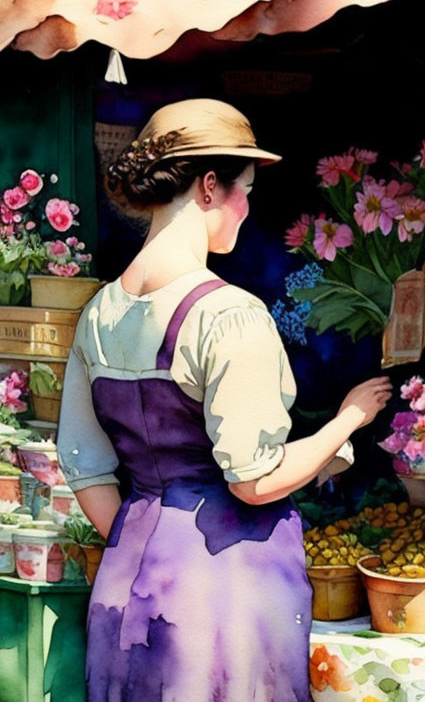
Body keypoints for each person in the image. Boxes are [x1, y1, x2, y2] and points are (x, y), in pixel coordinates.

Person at [56, 98, 392, 701]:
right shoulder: (228, 314)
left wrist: (149, 540)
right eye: (245, 191)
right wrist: (347, 420)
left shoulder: (98, 314)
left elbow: (86, 470)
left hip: (127, 585)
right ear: (209, 187)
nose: (245, 208)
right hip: (225, 593)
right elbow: (254, 480)